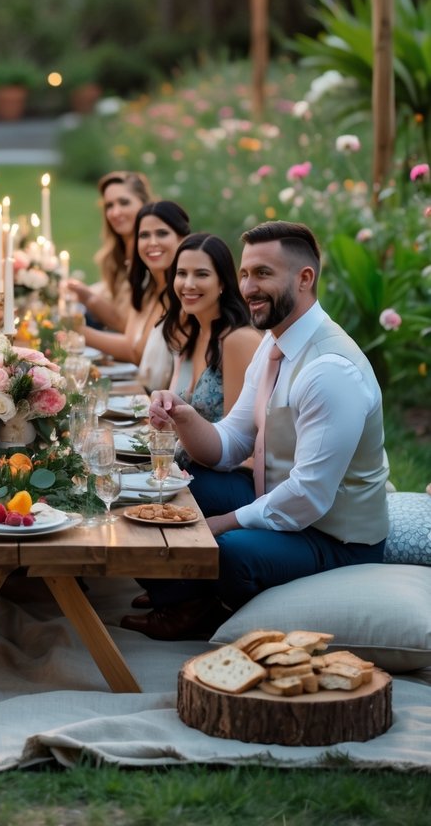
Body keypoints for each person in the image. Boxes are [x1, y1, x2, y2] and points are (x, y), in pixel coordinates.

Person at [122, 221, 389, 642]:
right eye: (245, 274)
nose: (248, 287)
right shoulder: (273, 344)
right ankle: (186, 599)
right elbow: (230, 445)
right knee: (165, 488)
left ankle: (206, 608)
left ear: (305, 279)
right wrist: (183, 414)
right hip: (279, 503)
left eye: (264, 274)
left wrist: (221, 524)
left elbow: (309, 496)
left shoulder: (329, 370)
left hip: (336, 538)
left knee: (228, 551)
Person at [162, 232, 262, 422]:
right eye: (182, 273)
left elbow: (237, 438)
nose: (188, 284)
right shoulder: (192, 333)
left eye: (201, 274)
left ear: (222, 282)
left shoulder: (238, 340)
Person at [83, 201, 190, 369]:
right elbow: (130, 342)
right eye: (144, 235)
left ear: (182, 239)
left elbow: (137, 353)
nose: (152, 242)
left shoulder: (184, 294)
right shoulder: (145, 287)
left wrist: (78, 332)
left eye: (162, 233)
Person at [65, 170, 152, 333]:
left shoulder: (150, 252)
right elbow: (111, 292)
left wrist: (87, 296)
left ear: (144, 203)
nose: (115, 212)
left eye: (124, 202)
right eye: (109, 206)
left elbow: (125, 323)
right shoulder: (119, 248)